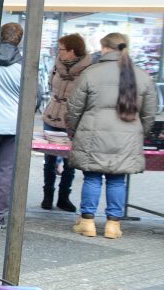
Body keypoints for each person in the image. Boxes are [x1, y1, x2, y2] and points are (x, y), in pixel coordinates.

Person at [67, 32, 158, 239]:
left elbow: (74, 107)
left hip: (92, 135)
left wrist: (74, 128)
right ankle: (113, 225)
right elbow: (149, 113)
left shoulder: (91, 73)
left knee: (92, 177)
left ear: (105, 48)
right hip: (127, 137)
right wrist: (139, 132)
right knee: (117, 180)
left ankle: (87, 222)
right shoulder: (142, 75)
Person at [40, 33, 90, 211]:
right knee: (49, 160)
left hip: (72, 119)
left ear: (72, 51)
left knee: (70, 162)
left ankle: (63, 197)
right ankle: (48, 196)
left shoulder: (88, 70)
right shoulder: (57, 65)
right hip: (52, 115)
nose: (58, 52)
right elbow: (49, 83)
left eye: (61, 49)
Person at [0, 22, 24, 231]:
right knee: (5, 171)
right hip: (13, 126)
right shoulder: (24, 67)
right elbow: (33, 100)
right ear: (19, 40)